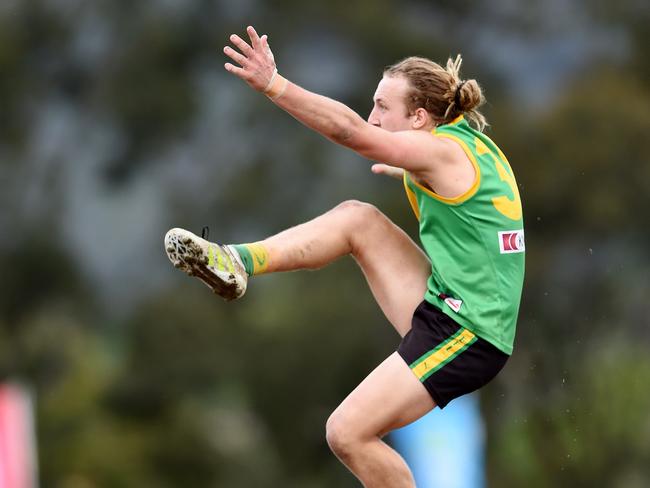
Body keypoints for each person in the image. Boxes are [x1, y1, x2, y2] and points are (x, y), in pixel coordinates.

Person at [164, 25, 525, 488]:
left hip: (469, 333)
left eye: (381, 107)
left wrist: (274, 84)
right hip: (449, 308)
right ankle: (234, 261)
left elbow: (350, 132)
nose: (372, 118)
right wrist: (407, 171)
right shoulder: (462, 148)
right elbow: (477, 211)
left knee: (347, 432)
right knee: (359, 220)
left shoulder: (442, 152)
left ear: (419, 117)